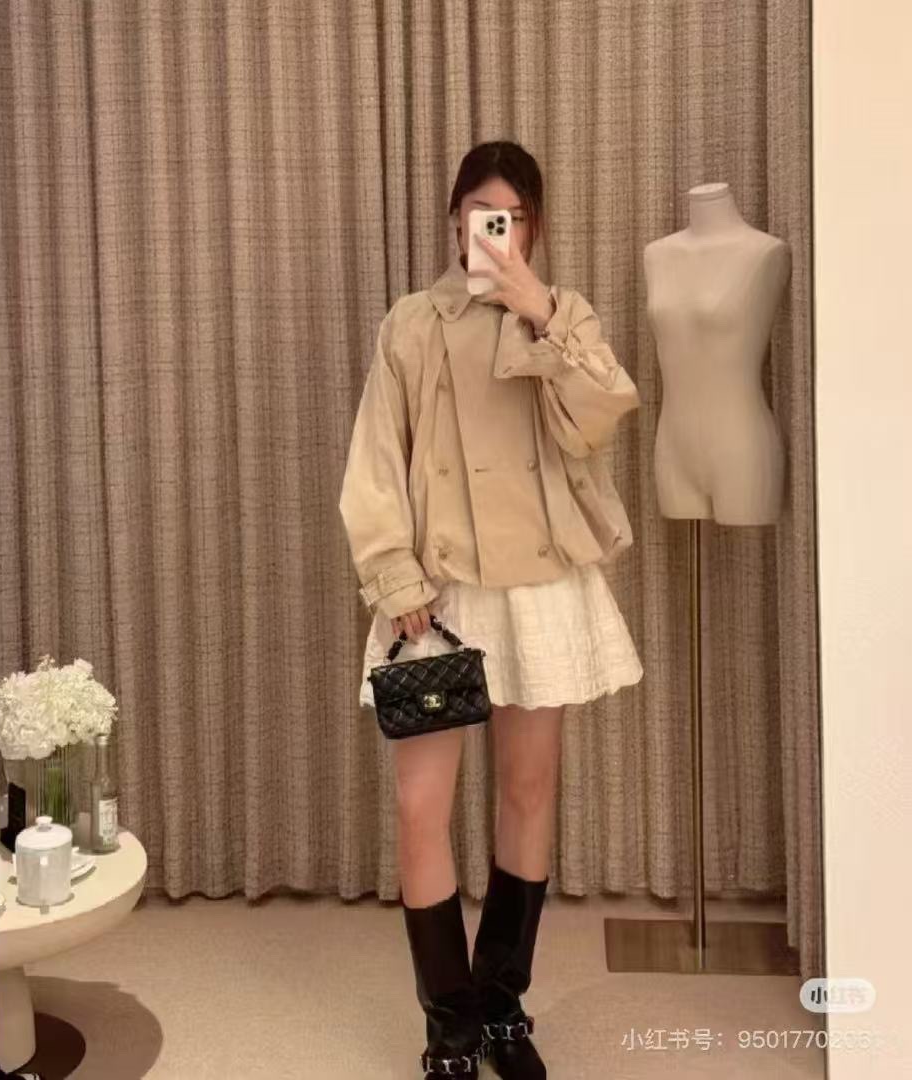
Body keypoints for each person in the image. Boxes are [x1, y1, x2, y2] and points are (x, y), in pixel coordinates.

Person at [339, 141, 644, 1080]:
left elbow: (603, 416)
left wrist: (539, 312)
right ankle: (450, 1027)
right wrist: (395, 580)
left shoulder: (563, 317)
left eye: (508, 216)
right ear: (454, 220)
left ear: (533, 227)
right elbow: (374, 462)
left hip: (538, 585)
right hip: (439, 589)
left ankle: (502, 1004)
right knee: (419, 807)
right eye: (478, 213)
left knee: (527, 792)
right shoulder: (411, 324)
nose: (491, 230)